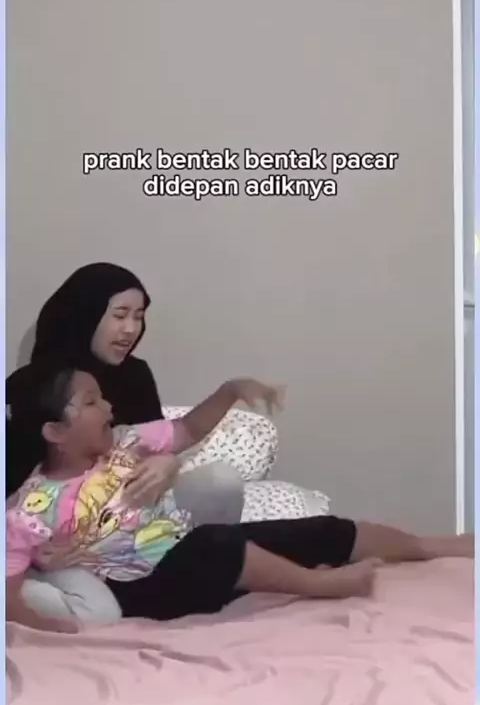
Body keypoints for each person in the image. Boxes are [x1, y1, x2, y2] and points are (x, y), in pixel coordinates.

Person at [6, 365, 473, 633]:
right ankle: (323, 585)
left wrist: (230, 390)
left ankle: (435, 546)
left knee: (318, 529)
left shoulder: (129, 443)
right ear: (54, 431)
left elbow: (188, 428)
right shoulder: (33, 505)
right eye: (91, 402)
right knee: (217, 544)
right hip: (141, 588)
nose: (109, 407)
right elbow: (11, 591)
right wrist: (49, 624)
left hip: (183, 549)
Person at [6, 263, 246, 624]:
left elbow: (164, 438)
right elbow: (15, 491)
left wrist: (169, 463)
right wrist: (40, 548)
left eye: (139, 316)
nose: (131, 329)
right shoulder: (30, 387)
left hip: (131, 512)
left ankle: (192, 579)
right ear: (85, 315)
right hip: (63, 541)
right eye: (120, 315)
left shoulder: (136, 375)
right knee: (98, 612)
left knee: (221, 481)